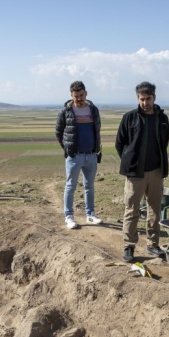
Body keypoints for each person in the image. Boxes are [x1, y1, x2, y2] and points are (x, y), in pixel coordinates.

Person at [115, 81, 169, 263]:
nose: (145, 103)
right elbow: (120, 143)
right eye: (142, 99)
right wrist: (129, 161)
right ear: (137, 98)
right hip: (135, 174)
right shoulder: (129, 118)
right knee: (132, 210)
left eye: (148, 99)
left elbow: (164, 142)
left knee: (155, 210)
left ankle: (153, 244)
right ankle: (129, 246)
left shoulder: (162, 118)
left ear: (154, 97)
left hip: (156, 172)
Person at [55, 81, 103, 229]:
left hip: (91, 155)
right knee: (70, 186)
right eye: (76, 96)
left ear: (86, 93)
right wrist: (68, 149)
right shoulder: (66, 112)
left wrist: (96, 150)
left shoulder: (93, 110)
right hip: (74, 156)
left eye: (81, 95)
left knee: (89, 186)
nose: (79, 99)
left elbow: (97, 130)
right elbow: (59, 132)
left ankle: (90, 214)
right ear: (71, 95)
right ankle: (69, 217)